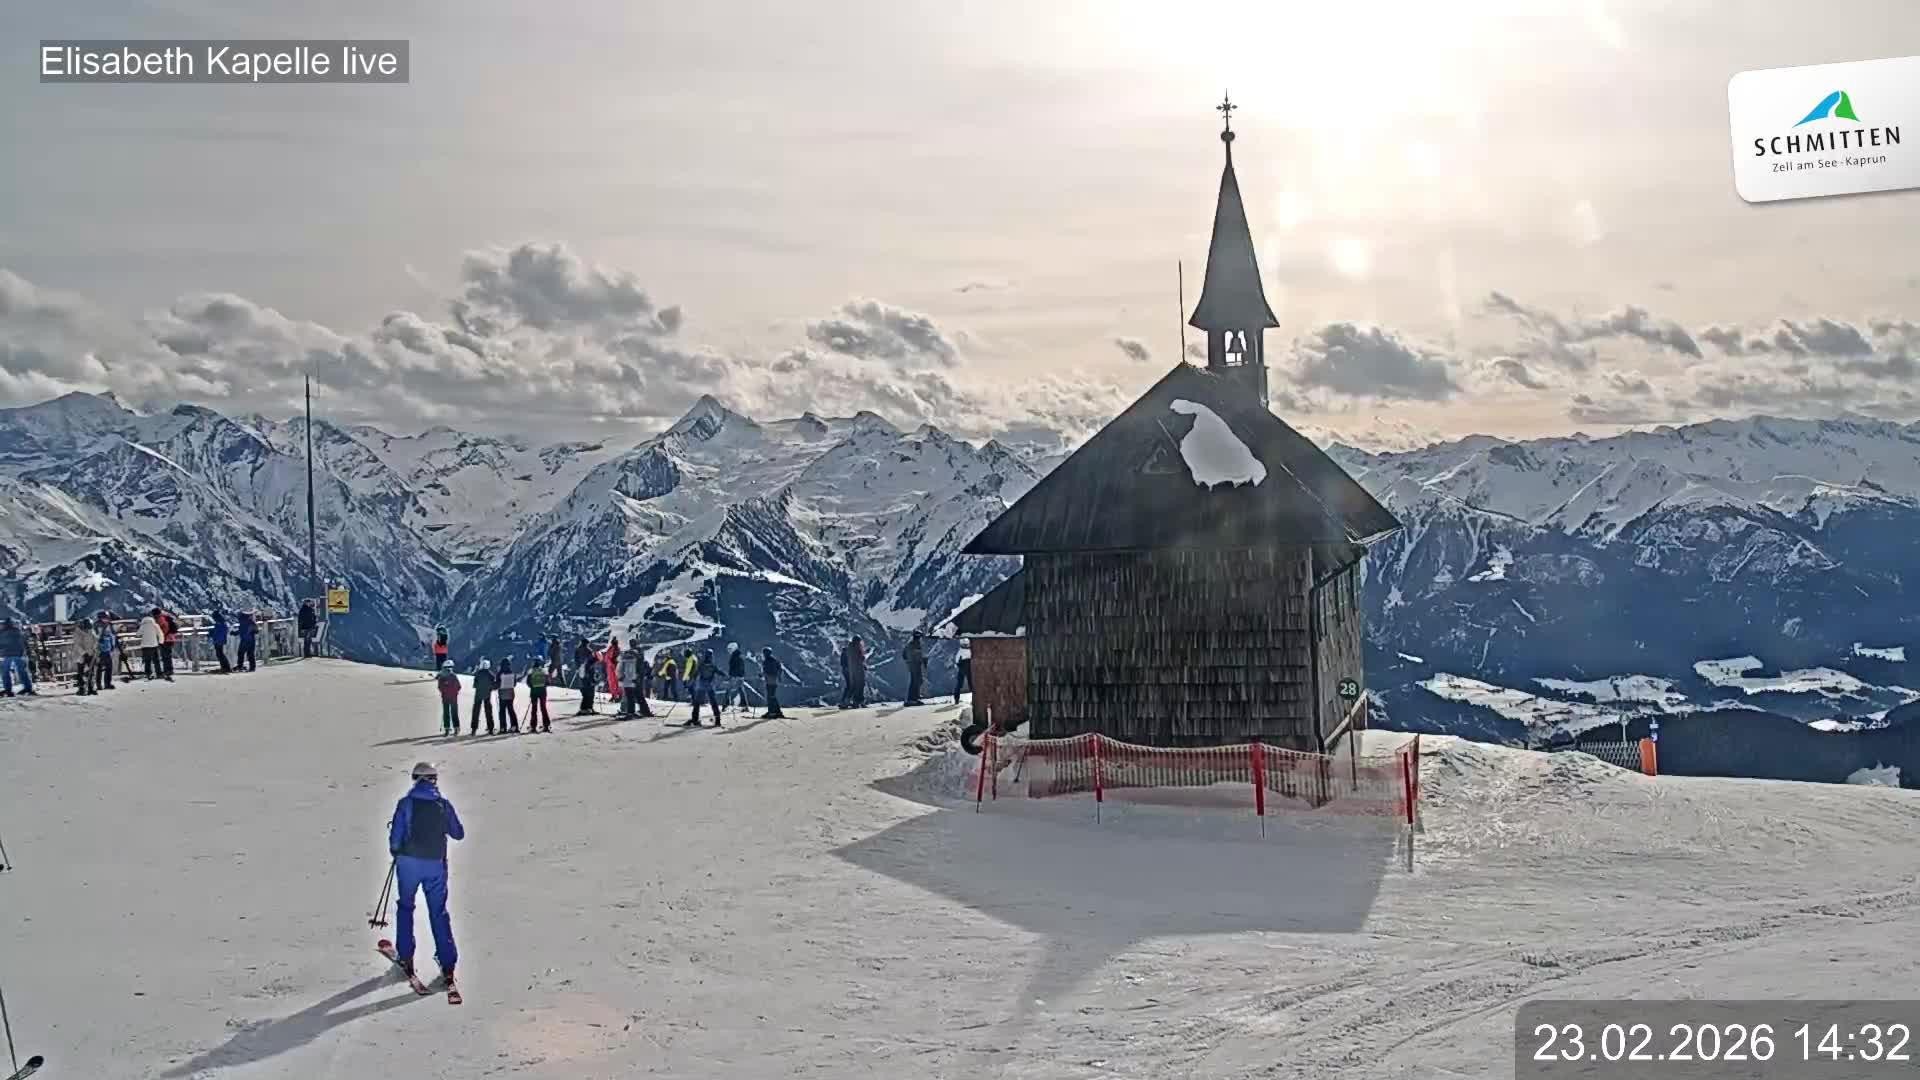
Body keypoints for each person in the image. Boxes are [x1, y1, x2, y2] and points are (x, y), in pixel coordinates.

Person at [387, 761, 464, 991]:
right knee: (438, 912)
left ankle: (406, 955)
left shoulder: (406, 803)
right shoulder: (443, 804)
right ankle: (448, 963)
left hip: (408, 865)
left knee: (406, 907)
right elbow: (458, 833)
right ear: (434, 780)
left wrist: (397, 851)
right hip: (435, 866)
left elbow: (395, 840)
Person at [687, 647, 720, 727]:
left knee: (697, 703)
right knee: (713, 703)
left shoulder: (701, 664)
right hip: (710, 686)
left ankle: (695, 720)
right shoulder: (713, 665)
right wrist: (728, 677)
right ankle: (718, 720)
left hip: (701, 686)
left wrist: (690, 683)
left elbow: (695, 674)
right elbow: (719, 672)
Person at [0, 618, 32, 697]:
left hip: (6, 654)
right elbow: (24, 642)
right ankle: (27, 688)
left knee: (5, 672)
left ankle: (8, 690)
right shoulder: (18, 632)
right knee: (22, 671)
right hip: (19, 654)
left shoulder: (2, 633)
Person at [71, 619, 99, 696]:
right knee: (81, 672)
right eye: (87, 628)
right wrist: (84, 653)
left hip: (90, 653)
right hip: (80, 655)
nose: (88, 630)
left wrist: (94, 648)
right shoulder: (77, 633)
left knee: (91, 671)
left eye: (89, 628)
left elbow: (95, 640)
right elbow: (77, 645)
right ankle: (82, 688)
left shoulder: (91, 631)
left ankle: (91, 687)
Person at [525, 657, 552, 732]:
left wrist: (532, 686)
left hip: (534, 691)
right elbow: (548, 682)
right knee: (543, 708)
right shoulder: (544, 671)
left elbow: (528, 682)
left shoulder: (531, 671)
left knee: (534, 709)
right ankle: (546, 725)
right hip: (542, 691)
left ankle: (533, 726)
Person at [470, 659, 496, 735]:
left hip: (478, 695)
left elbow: (475, 685)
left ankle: (474, 729)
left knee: (476, 711)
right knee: (488, 712)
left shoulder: (478, 674)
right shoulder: (491, 675)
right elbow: (493, 685)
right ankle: (490, 728)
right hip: (487, 695)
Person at [137, 609, 164, 681]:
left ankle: (148, 673)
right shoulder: (155, 625)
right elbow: (160, 634)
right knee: (156, 660)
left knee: (147, 661)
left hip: (145, 646)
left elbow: (138, 634)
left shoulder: (142, 626)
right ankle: (159, 673)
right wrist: (161, 642)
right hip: (154, 645)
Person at [435, 662, 460, 736]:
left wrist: (444, 692)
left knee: (446, 713)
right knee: (454, 713)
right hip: (453, 698)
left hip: (445, 697)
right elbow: (459, 686)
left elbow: (439, 687)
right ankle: (456, 728)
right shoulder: (454, 676)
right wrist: (455, 693)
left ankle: (447, 729)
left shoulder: (441, 676)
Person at [761, 646, 786, 719]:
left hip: (769, 681)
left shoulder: (767, 661)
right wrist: (779, 678)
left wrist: (762, 675)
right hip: (774, 681)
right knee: (772, 697)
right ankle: (777, 712)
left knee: (770, 697)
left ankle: (772, 712)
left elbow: (768, 671)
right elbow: (779, 669)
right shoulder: (775, 660)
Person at [496, 656, 520, 733]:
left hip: (502, 694)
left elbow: (497, 684)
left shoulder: (500, 673)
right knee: (511, 710)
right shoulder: (512, 673)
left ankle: (503, 728)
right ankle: (514, 726)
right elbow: (514, 684)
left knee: (502, 711)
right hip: (510, 694)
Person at [573, 637, 597, 714]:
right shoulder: (589, 651)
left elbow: (576, 661)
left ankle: (584, 708)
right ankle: (589, 708)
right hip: (588, 674)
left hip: (581, 673)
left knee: (585, 691)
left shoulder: (577, 650)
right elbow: (591, 663)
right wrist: (595, 659)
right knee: (590, 691)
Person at [904, 630, 927, 706]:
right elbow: (916, 655)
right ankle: (911, 699)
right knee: (915, 681)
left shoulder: (915, 644)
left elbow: (904, 655)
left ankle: (915, 697)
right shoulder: (913, 644)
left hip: (914, 664)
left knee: (918, 680)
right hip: (914, 664)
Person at [616, 645, 640, 718]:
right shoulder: (633, 661)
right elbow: (635, 672)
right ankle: (630, 711)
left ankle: (626, 710)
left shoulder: (624, 660)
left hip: (627, 681)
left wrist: (620, 678)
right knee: (630, 697)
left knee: (627, 696)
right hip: (630, 681)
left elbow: (619, 671)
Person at [95, 612, 117, 691]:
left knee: (109, 667)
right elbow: (95, 637)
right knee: (99, 668)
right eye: (105, 618)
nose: (106, 619)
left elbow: (112, 635)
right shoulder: (97, 625)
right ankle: (98, 684)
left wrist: (113, 645)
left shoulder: (110, 625)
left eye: (107, 618)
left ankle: (107, 683)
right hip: (100, 650)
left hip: (108, 649)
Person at [844, 637, 867, 708]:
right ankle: (858, 702)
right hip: (858, 670)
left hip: (852, 670)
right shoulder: (856, 648)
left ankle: (849, 702)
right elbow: (860, 658)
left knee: (853, 686)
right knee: (860, 685)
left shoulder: (849, 648)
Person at [725, 642, 747, 712]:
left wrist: (733, 675)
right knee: (740, 690)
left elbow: (738, 667)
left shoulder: (736, 656)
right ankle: (745, 706)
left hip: (735, 676)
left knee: (728, 690)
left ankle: (726, 705)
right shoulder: (737, 655)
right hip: (739, 676)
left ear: (734, 648)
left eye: (730, 649)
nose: (729, 651)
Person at [157, 608, 179, 678]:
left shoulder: (161, 618)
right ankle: (170, 670)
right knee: (168, 655)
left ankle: (167, 670)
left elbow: (164, 628)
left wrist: (161, 636)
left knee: (165, 656)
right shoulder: (167, 617)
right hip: (171, 638)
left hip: (165, 639)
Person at [210, 610, 232, 674]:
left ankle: (225, 667)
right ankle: (225, 667)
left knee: (220, 654)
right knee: (220, 654)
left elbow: (217, 632)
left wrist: (211, 633)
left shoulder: (219, 622)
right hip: (220, 640)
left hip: (218, 640)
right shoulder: (221, 621)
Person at [954, 638, 972, 704]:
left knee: (959, 684)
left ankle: (956, 700)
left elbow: (956, 660)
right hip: (969, 667)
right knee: (971, 684)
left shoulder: (960, 650)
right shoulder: (971, 650)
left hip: (962, 667)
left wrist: (958, 665)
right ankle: (974, 699)